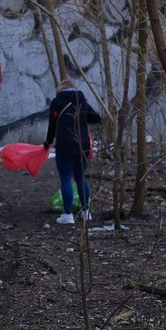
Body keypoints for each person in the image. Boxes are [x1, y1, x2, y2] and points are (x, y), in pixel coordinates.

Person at [43, 79, 102, 224]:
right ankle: (86, 212)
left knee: (65, 178)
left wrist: (48, 142)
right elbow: (96, 118)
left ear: (60, 89)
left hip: (64, 144)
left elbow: (52, 125)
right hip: (82, 143)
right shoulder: (81, 100)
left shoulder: (57, 102)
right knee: (81, 177)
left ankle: (68, 214)